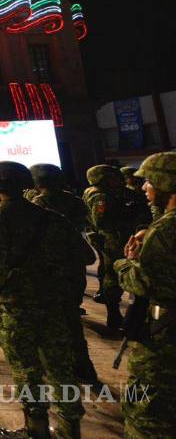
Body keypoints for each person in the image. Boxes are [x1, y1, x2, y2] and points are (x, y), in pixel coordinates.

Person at [0, 161, 83, 439]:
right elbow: (84, 256)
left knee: (26, 368)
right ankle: (70, 428)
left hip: (16, 308)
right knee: (60, 366)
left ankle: (35, 428)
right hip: (53, 303)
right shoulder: (52, 218)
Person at [115, 152, 176, 439]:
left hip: (164, 337)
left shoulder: (166, 230)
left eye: (149, 181)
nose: (143, 187)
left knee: (146, 414)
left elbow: (149, 283)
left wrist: (125, 263)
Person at [29, 163, 100, 385]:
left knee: (53, 322)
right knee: (71, 317)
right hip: (74, 266)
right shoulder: (75, 201)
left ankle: (62, 368)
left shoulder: (38, 205)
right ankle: (83, 364)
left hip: (50, 269)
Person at [85, 164, 151, 332]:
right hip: (112, 240)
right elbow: (102, 222)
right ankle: (113, 312)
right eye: (111, 178)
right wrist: (127, 215)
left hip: (124, 238)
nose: (117, 180)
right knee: (112, 275)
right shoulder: (99, 196)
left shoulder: (117, 193)